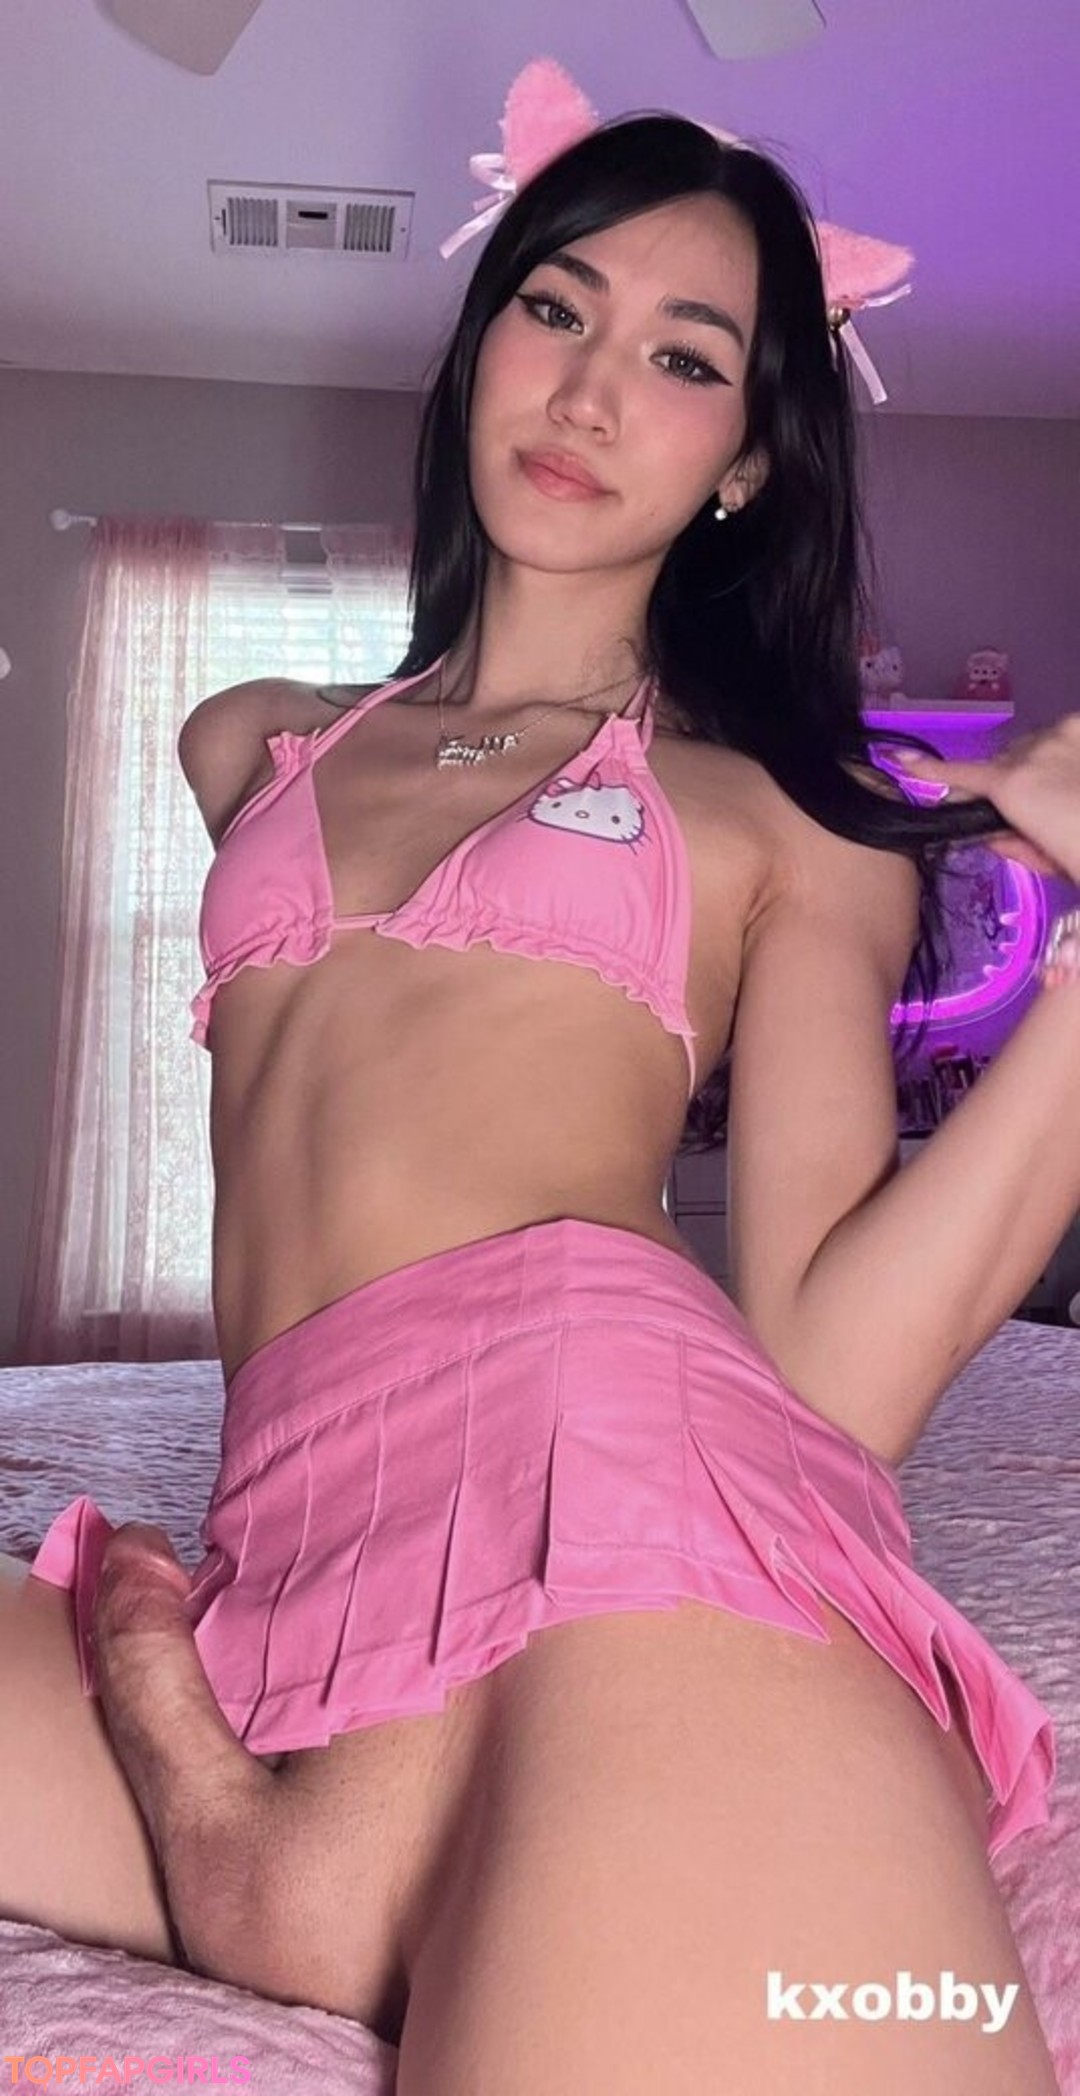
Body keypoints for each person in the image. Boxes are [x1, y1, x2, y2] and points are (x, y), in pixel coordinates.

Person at [4, 74, 1079, 2094]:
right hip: (278, 1528)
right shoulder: (255, 740)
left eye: (683, 358)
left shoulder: (778, 817)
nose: (589, 390)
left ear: (746, 461)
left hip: (608, 1476)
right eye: (555, 308)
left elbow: (828, 1368)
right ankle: (320, 1844)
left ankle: (337, 1842)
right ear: (478, 341)